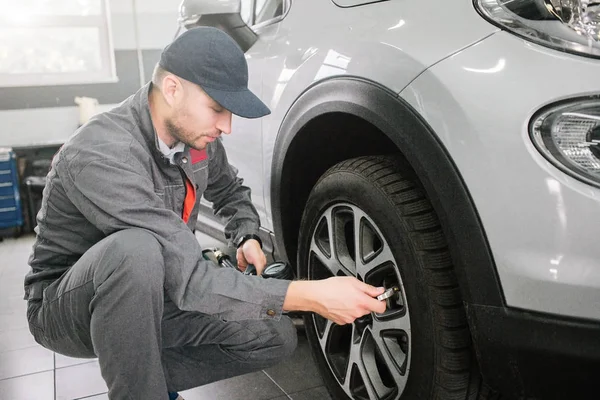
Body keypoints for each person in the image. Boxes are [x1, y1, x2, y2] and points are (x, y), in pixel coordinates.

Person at [23, 27, 386, 400]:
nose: (226, 126)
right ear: (172, 88)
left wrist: (245, 234)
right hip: (67, 305)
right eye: (216, 108)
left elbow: (229, 190)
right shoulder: (101, 153)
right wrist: (312, 296)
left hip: (159, 288)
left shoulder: (196, 139)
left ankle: (139, 379)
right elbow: (191, 279)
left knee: (272, 337)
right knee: (135, 251)